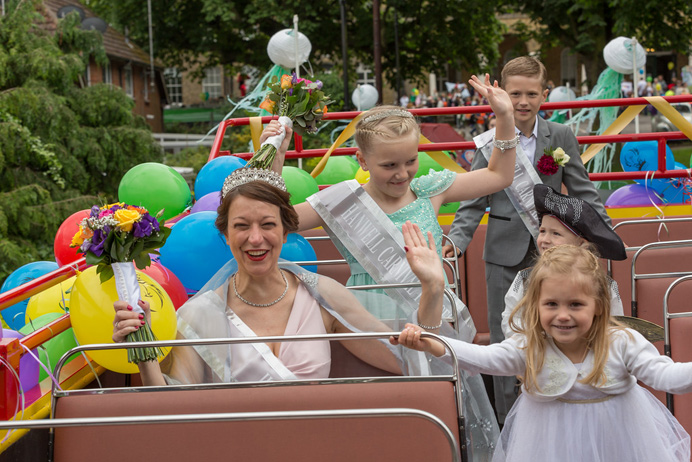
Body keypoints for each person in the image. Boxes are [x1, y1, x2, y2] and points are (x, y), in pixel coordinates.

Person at [260, 73, 516, 460]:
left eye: (410, 161)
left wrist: (505, 117)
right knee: (384, 418)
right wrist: (275, 160)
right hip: (368, 319)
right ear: (361, 159)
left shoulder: (431, 189)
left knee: (441, 414)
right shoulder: (338, 203)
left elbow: (499, 174)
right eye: (389, 164)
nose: (402, 173)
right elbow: (276, 219)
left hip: (432, 315)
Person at [112, 168, 446, 386]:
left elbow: (411, 359)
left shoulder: (322, 295)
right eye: (241, 226)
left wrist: (432, 288)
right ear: (226, 234)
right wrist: (143, 348)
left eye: (268, 225)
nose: (255, 238)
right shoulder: (199, 314)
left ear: (285, 232)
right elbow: (173, 404)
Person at [392, 245, 692, 462]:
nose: (563, 315)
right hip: (549, 445)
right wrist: (431, 343)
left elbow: (667, 376)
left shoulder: (622, 341)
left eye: (575, 304)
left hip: (620, 442)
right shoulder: (530, 344)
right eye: (551, 304)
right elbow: (485, 358)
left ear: (599, 305)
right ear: (536, 304)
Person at [443, 56, 611, 424]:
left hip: (555, 254)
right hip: (502, 253)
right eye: (515, 93)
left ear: (544, 94)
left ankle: (557, 408)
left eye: (531, 93)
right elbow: (474, 201)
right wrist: (455, 241)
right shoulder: (490, 141)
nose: (522, 101)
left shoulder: (560, 136)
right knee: (508, 338)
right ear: (502, 93)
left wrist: (603, 231)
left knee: (558, 331)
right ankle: (508, 422)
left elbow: (582, 189)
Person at [500, 184, 627, 340]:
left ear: (582, 244)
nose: (545, 240)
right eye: (542, 231)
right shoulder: (525, 279)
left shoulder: (603, 284)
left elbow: (614, 325)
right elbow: (511, 320)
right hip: (538, 355)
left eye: (556, 234)